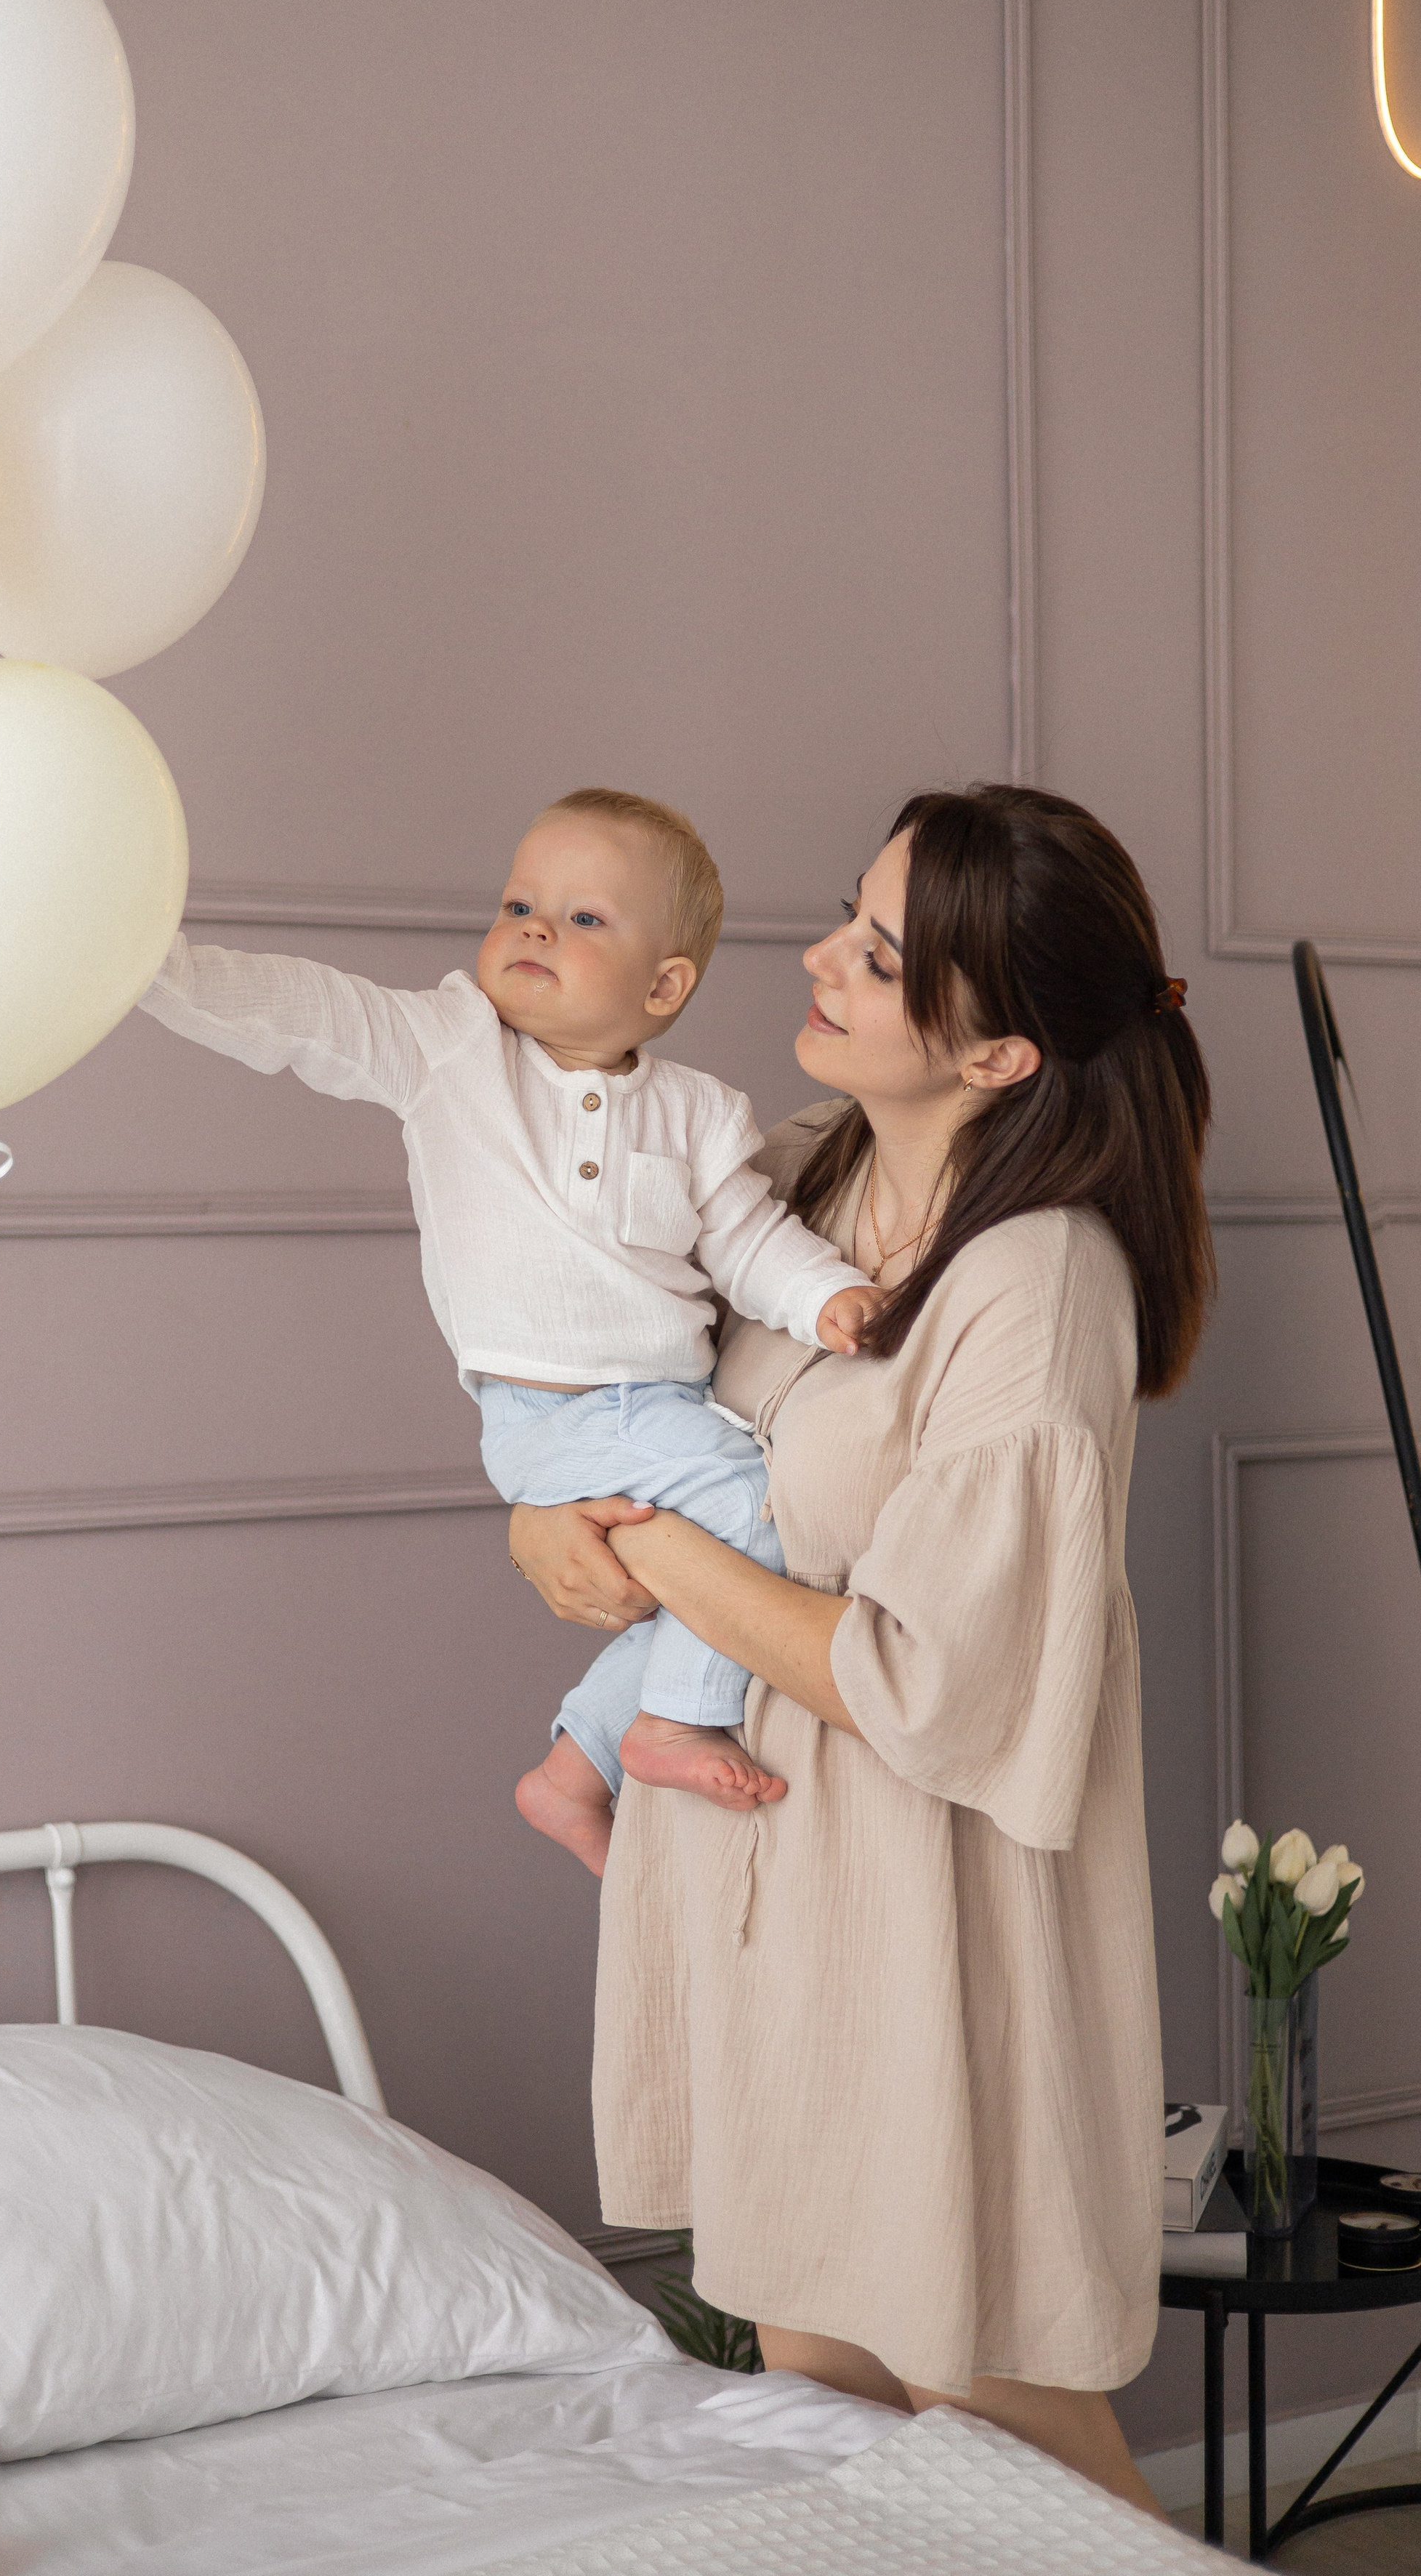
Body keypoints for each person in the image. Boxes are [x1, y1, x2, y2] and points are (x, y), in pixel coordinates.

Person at [509, 783, 1211, 2516]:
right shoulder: (791, 1186)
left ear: (995, 1056)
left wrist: (652, 1548)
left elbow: (926, 1677)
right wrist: (547, 1516)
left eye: (882, 955)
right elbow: (611, 1390)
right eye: (849, 911)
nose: (820, 955)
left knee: (1000, 2421)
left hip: (918, 1937)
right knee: (829, 2409)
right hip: (762, 1902)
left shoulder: (1034, 1285)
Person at [140, 785, 879, 1870]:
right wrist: (150, 967)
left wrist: (826, 1297)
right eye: (519, 903)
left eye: (585, 919)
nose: (535, 927)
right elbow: (303, 1016)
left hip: (659, 1408)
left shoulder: (703, 1114)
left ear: (665, 983)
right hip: (551, 1409)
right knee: (762, 1513)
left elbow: (750, 1243)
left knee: (728, 1555)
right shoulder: (452, 1049)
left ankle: (575, 1766)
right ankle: (666, 1724)